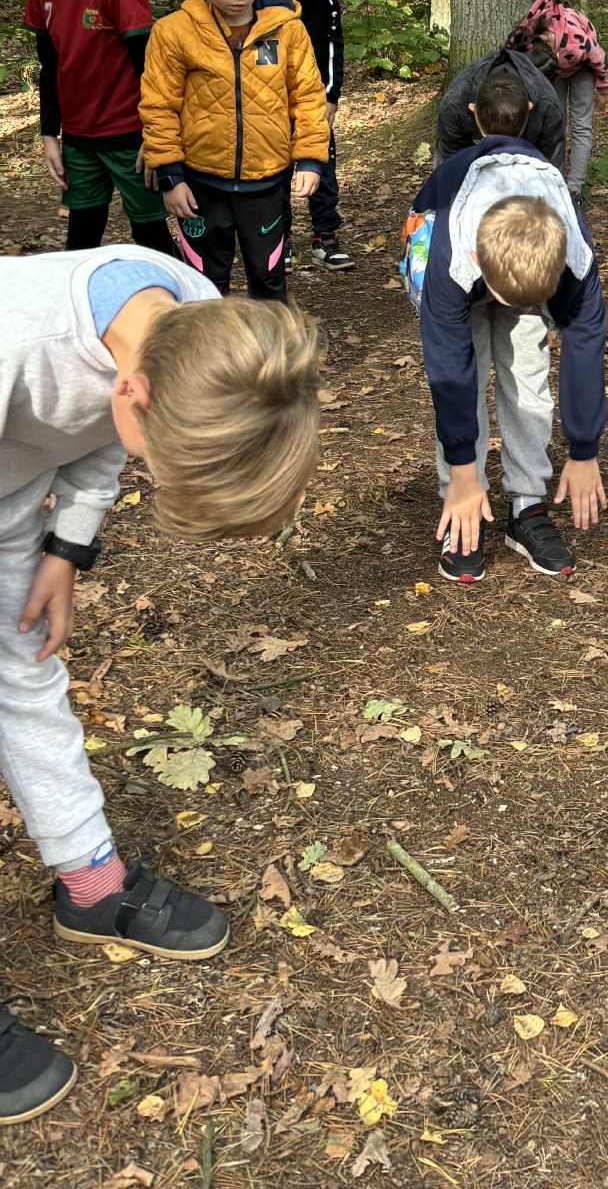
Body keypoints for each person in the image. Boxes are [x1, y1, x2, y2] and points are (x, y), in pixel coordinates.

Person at [0, 243, 322, 1123]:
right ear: (138, 391)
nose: (145, 469)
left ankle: (91, 887)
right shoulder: (18, 342)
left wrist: (68, 547)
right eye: (160, 465)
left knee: (26, 676)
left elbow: (105, 432)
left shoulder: (190, 317)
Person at [412, 121, 607, 582]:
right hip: (443, 232)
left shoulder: (576, 258)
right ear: (477, 263)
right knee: (472, 368)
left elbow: (585, 344)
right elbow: (449, 371)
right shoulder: (451, 259)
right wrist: (462, 469)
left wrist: (584, 450)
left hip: (522, 251)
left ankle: (527, 504)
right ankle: (464, 498)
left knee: (528, 370)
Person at [139, 0, 330, 303]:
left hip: (268, 183)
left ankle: (271, 343)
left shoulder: (288, 29)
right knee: (203, 284)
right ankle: (206, 344)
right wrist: (170, 176)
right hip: (200, 185)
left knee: (269, 279)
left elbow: (308, 96)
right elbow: (159, 105)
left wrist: (310, 159)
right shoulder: (174, 33)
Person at [14, 0, 174, 257]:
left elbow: (150, 69)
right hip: (79, 140)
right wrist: (50, 134)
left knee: (150, 236)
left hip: (131, 136)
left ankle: (189, 295)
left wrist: (157, 136)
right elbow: (49, 66)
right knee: (81, 240)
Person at [260, 0, 351, 270]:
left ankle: (324, 235)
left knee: (322, 165)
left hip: (313, 99)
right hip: (269, 104)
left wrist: (331, 96)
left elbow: (333, 44)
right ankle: (278, 240)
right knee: (275, 172)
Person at [510, 0, 608, 203]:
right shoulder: (526, 36)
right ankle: (553, 180)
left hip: (584, 67)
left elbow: (599, 58)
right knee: (555, 121)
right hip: (555, 70)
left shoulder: (576, 40)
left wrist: (603, 89)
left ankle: (575, 189)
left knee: (580, 125)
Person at [436, 34, 565, 168]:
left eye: (510, 140)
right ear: (473, 108)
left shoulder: (547, 107)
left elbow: (551, 170)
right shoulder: (455, 105)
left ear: (529, 107)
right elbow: (448, 167)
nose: (501, 152)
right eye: (491, 140)